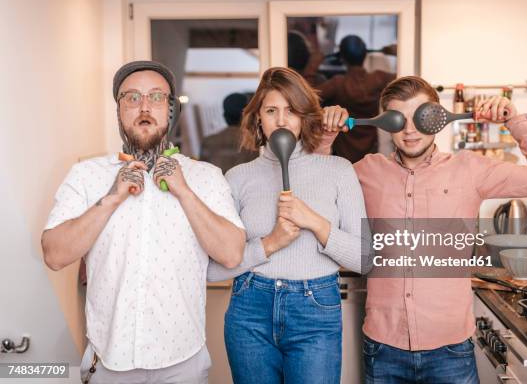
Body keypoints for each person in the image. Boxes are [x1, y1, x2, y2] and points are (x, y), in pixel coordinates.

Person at [318, 76, 527, 383]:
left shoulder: (471, 170)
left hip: (450, 352)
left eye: (421, 118)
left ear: (437, 119)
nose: (410, 130)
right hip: (383, 349)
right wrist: (324, 138)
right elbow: (315, 195)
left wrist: (513, 120)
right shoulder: (365, 171)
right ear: (385, 122)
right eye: (399, 120)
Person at [41, 61, 246, 384]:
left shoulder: (205, 177)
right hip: (109, 364)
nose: (145, 107)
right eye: (132, 98)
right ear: (119, 110)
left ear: (170, 109)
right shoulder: (85, 176)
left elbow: (232, 253)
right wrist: (111, 198)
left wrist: (185, 193)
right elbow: (54, 255)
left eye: (156, 97)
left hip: (184, 362)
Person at [207, 66, 370, 384]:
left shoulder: (338, 170)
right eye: (271, 110)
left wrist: (314, 222)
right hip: (249, 310)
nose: (282, 121)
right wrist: (270, 243)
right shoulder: (237, 179)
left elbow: (365, 259)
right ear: (258, 119)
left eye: (291, 110)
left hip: (316, 310)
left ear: (304, 117)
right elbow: (213, 269)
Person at [315, 35, 396, 163]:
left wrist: (314, 61)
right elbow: (408, 79)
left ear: (342, 58)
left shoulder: (337, 84)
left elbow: (306, 97)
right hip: (370, 152)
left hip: (344, 155)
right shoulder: (378, 79)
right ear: (365, 55)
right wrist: (396, 53)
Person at [199, 92, 259, 172]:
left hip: (217, 184)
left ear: (225, 116)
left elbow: (202, 173)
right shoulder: (256, 143)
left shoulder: (208, 141)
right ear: (246, 115)